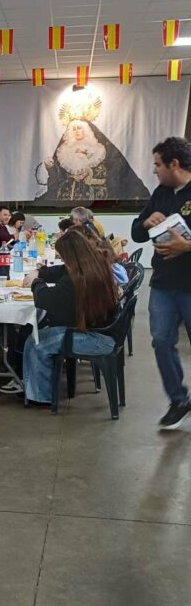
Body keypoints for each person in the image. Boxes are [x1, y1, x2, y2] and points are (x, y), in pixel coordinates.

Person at [131, 136, 191, 430]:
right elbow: (136, 233)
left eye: (157, 164)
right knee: (161, 340)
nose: (154, 170)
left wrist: (187, 247)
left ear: (174, 164)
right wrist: (146, 222)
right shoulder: (161, 193)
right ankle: (178, 400)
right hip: (164, 285)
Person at [21, 229, 118, 404]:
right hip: (102, 329)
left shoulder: (77, 278)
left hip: (96, 339)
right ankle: (33, 389)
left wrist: (36, 282)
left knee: (37, 343)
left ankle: (41, 397)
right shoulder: (94, 264)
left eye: (64, 256)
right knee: (34, 338)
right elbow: (61, 270)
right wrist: (41, 273)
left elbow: (46, 300)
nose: (63, 261)